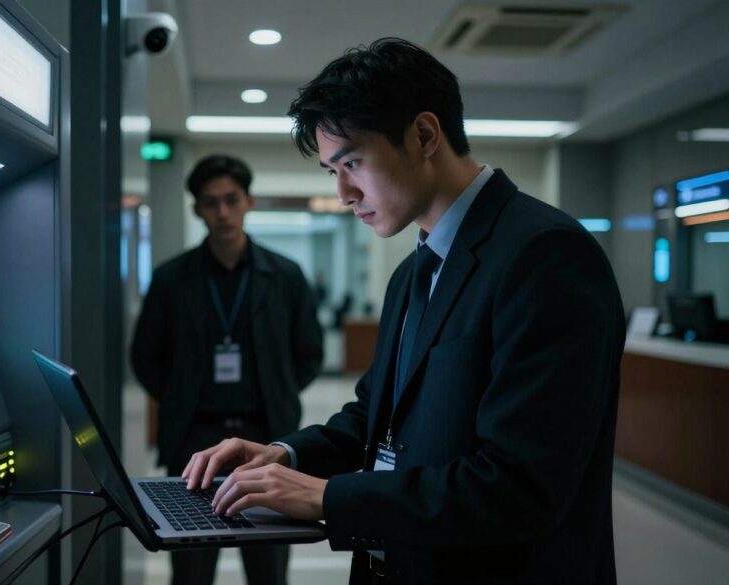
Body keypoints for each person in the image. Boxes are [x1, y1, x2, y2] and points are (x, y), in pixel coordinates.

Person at [182, 38, 625, 585]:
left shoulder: (544, 254)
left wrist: (326, 495)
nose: (344, 192)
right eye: (331, 171)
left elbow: (521, 486)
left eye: (352, 162)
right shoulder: (414, 270)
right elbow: (375, 419)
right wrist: (285, 455)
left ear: (423, 135)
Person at [131, 154, 324, 585]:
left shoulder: (285, 276)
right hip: (195, 439)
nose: (222, 212)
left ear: (249, 202)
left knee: (268, 570)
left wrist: (279, 389)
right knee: (192, 569)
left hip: (265, 437)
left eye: (231, 200)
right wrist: (179, 395)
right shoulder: (171, 279)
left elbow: (310, 351)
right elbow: (145, 356)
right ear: (196, 209)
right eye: (210, 202)